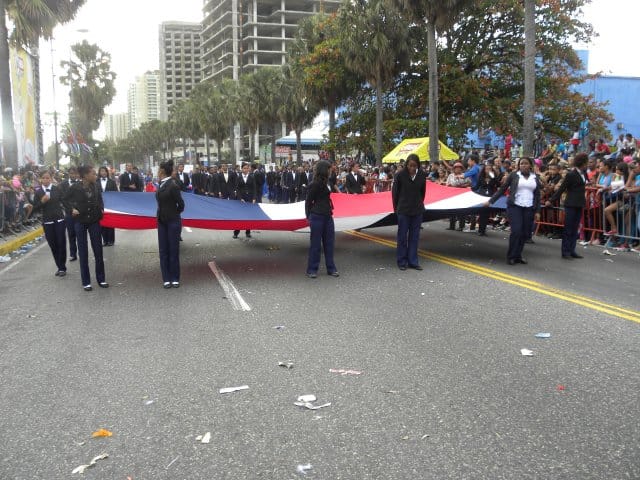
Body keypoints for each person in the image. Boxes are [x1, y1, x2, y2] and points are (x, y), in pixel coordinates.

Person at [485, 157, 542, 265]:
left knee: (524, 233)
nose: (523, 165)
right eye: (521, 163)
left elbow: (538, 195)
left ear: (530, 165)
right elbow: (503, 189)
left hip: (529, 207)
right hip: (515, 206)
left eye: (526, 163)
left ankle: (518, 255)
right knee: (516, 231)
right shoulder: (514, 175)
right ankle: (511, 256)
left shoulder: (535, 177)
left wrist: (538, 211)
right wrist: (491, 201)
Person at [68, 165, 107, 291]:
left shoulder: (96, 186)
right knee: (83, 252)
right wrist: (71, 209)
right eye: (93, 174)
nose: (95, 176)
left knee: (98, 250)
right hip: (80, 221)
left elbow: (100, 198)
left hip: (94, 221)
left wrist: (101, 207)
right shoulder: (75, 187)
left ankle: (101, 279)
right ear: (85, 175)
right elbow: (64, 199)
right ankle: (86, 282)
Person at [546, 153, 588, 259]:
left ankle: (572, 250)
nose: (587, 164)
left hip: (579, 204)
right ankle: (565, 251)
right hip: (570, 204)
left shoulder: (584, 173)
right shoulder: (571, 174)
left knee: (575, 228)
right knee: (568, 228)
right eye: (586, 162)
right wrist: (551, 200)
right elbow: (562, 188)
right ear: (583, 162)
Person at [392, 153, 426, 271]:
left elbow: (423, 193)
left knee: (414, 237)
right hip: (403, 210)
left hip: (417, 210)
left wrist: (418, 203)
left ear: (418, 166)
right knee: (402, 237)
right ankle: (402, 261)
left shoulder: (421, 175)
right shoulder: (400, 175)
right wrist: (396, 209)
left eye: (414, 166)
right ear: (406, 165)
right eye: (410, 165)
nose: (412, 168)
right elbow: (395, 193)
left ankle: (413, 261)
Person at [305, 160, 339, 278]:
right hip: (317, 216)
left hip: (328, 216)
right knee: (316, 244)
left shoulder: (329, 182)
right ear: (324, 170)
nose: (331, 170)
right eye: (329, 169)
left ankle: (331, 268)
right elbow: (308, 202)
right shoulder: (314, 184)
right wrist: (308, 216)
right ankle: (312, 269)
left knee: (329, 243)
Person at [156, 160, 184, 288]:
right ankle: (166, 278)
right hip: (161, 222)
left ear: (162, 171)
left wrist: (173, 214)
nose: (157, 172)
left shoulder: (173, 185)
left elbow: (181, 205)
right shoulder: (160, 184)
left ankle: (175, 278)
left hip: (173, 222)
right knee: (163, 250)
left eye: (159, 170)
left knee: (173, 249)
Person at [32, 171, 67, 276]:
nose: (46, 180)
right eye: (43, 178)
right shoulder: (38, 192)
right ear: (40, 179)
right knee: (53, 244)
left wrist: (72, 210)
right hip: (47, 221)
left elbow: (65, 201)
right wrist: (42, 202)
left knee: (61, 243)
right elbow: (35, 208)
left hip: (59, 220)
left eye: (47, 178)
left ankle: (62, 267)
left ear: (51, 178)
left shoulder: (57, 189)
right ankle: (59, 266)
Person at [59, 167, 79, 261]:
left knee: (80, 234)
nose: (73, 175)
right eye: (71, 173)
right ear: (68, 174)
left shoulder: (81, 183)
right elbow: (63, 199)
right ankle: (73, 254)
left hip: (80, 212)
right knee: (71, 234)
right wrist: (71, 210)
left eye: (74, 173)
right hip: (69, 212)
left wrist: (77, 209)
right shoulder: (63, 184)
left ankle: (82, 253)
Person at [233, 162, 256, 239]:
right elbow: (237, 189)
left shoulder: (252, 177)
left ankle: (248, 232)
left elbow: (254, 188)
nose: (246, 170)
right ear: (242, 169)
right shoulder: (238, 177)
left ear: (249, 169)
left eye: (247, 168)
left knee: (249, 216)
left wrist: (254, 198)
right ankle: (236, 233)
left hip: (249, 199)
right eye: (244, 168)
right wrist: (240, 198)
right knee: (239, 216)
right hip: (241, 199)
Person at [98, 166, 117, 246]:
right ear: (99, 172)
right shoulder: (95, 182)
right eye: (101, 171)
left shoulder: (112, 182)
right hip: (100, 205)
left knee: (110, 222)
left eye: (104, 171)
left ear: (107, 172)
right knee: (102, 223)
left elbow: (116, 193)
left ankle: (111, 240)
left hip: (110, 205)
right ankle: (105, 240)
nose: (103, 173)